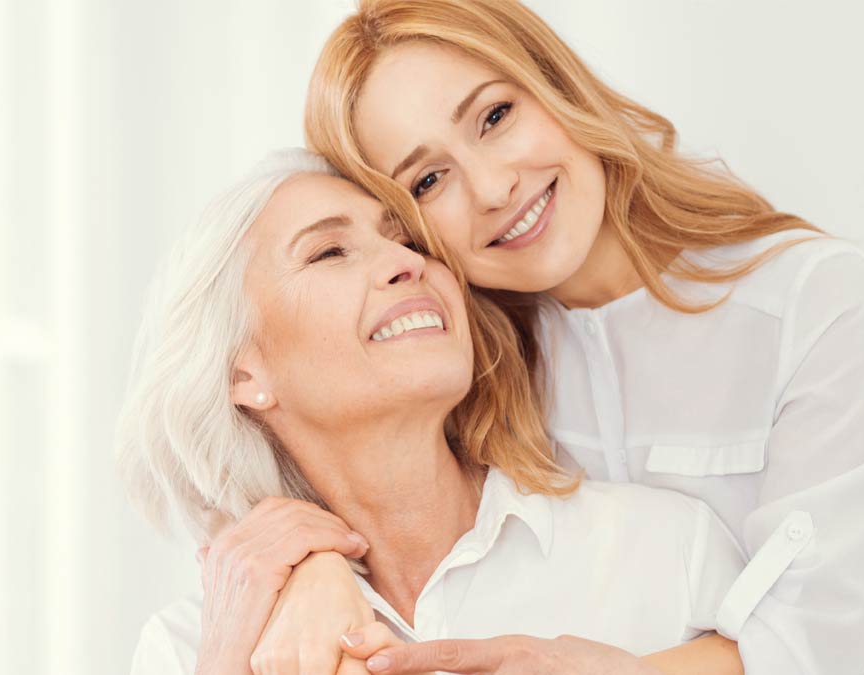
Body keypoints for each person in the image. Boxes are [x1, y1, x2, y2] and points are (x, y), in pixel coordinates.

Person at [256, 1, 864, 673]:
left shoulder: (814, 303)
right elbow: (326, 458)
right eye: (429, 179)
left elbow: (813, 646)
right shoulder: (470, 372)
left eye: (495, 116)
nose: (493, 187)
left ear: (555, 84)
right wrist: (318, 564)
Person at [116, 149, 747, 675]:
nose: (407, 262)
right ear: (241, 371)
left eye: (408, 238)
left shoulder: (663, 551)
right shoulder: (189, 647)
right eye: (329, 253)